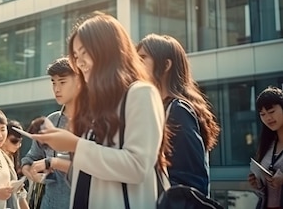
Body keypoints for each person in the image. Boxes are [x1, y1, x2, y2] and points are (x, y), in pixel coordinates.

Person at [31, 12, 167, 209]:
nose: (79, 62)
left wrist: (75, 145)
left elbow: (137, 167)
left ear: (107, 49)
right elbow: (90, 174)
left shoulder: (141, 93)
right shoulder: (95, 106)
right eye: (76, 56)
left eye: (84, 52)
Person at [136, 33, 220, 195]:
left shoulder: (178, 110)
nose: (136, 64)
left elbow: (191, 182)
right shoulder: (158, 109)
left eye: (143, 58)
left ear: (166, 65)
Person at [21, 57, 81, 209]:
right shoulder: (51, 120)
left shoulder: (92, 122)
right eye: (53, 82)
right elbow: (31, 157)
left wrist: (53, 163)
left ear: (79, 81)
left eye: (62, 82)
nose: (56, 89)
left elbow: (93, 169)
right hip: (50, 202)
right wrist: (29, 170)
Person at [249, 86, 283, 209]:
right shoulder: (267, 145)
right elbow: (263, 195)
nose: (268, 118)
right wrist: (258, 185)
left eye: (271, 111)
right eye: (262, 114)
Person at [3, 120, 30, 209]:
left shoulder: (12, 157)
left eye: (20, 142)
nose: (18, 145)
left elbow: (20, 195)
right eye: (14, 141)